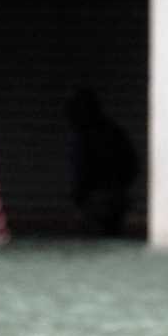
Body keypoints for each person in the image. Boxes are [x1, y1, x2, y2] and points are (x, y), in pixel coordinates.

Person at [66, 88, 138, 236]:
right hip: (112, 196)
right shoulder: (113, 132)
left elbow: (81, 170)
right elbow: (132, 165)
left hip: (98, 198)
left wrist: (81, 199)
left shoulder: (86, 137)